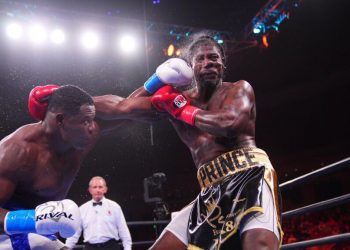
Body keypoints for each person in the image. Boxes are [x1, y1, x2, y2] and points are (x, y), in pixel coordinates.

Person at [0, 60, 192, 250]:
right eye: (86, 121)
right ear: (61, 120)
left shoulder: (78, 137)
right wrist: (34, 220)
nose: (93, 128)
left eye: (92, 120)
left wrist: (157, 81)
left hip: (40, 234)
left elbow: (125, 111)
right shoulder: (16, 151)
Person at [146, 34, 283, 249]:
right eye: (200, 59)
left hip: (250, 175)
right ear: (190, 67)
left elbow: (229, 124)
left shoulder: (238, 89)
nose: (207, 63)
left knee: (260, 245)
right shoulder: (178, 99)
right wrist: (157, 79)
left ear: (222, 63)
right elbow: (126, 108)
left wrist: (184, 111)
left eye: (213, 57)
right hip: (210, 189)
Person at [65, 176, 131, 250]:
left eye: (100, 187)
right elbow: (75, 233)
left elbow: (123, 230)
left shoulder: (114, 206)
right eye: (95, 187)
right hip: (90, 248)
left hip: (111, 247)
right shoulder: (82, 209)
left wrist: (128, 248)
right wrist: (67, 248)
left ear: (105, 189)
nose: (98, 190)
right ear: (90, 190)